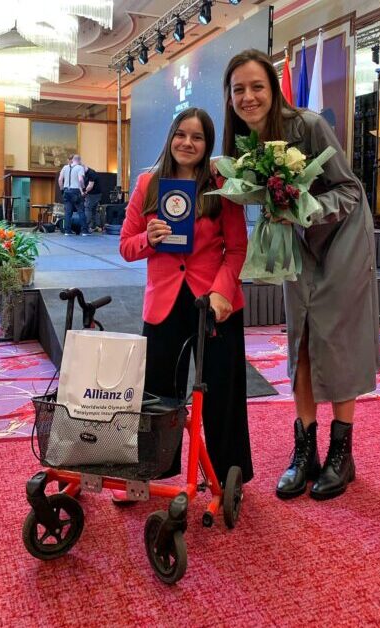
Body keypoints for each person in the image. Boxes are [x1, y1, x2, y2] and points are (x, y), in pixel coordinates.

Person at [222, 49, 379, 500]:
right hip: (297, 243)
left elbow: (349, 189)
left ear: (273, 89)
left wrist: (301, 208)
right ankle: (305, 449)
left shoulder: (308, 125)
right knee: (301, 339)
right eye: (239, 89)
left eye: (257, 87)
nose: (249, 97)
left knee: (338, 340)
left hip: (342, 238)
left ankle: (341, 454)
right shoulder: (244, 142)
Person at [120, 107, 253, 485]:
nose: (187, 143)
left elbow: (237, 249)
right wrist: (149, 239)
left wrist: (221, 292)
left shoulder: (222, 186)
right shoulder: (147, 183)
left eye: (197, 137)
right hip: (164, 303)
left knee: (222, 392)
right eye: (181, 134)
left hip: (215, 303)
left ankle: (228, 475)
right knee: (156, 396)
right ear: (171, 138)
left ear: (207, 145)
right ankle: (152, 471)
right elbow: (126, 246)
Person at [58, 154, 91, 236]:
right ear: (79, 160)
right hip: (76, 191)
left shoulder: (65, 167)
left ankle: (67, 231)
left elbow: (60, 180)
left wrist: (62, 190)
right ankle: (84, 231)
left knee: (68, 212)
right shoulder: (80, 168)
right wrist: (83, 189)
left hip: (66, 191)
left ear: (72, 160)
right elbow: (80, 180)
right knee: (81, 211)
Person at [83, 165, 104, 232]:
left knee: (88, 209)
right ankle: (96, 226)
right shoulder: (88, 172)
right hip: (96, 194)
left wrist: (85, 192)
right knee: (94, 210)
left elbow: (90, 186)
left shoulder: (91, 173)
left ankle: (86, 227)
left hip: (93, 194)